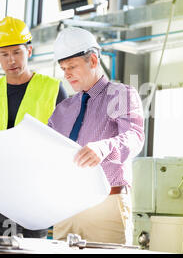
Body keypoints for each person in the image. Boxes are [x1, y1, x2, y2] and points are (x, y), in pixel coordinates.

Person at [0, 16, 68, 238]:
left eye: (17, 52)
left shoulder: (53, 89)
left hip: (35, 198)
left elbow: (67, 146)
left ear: (29, 51)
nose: (11, 60)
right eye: (5, 54)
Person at [48, 27, 145, 245]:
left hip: (105, 204)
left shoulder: (121, 95)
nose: (67, 74)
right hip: (65, 205)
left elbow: (134, 137)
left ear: (93, 60)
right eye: (63, 68)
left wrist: (103, 148)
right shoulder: (62, 109)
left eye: (72, 66)